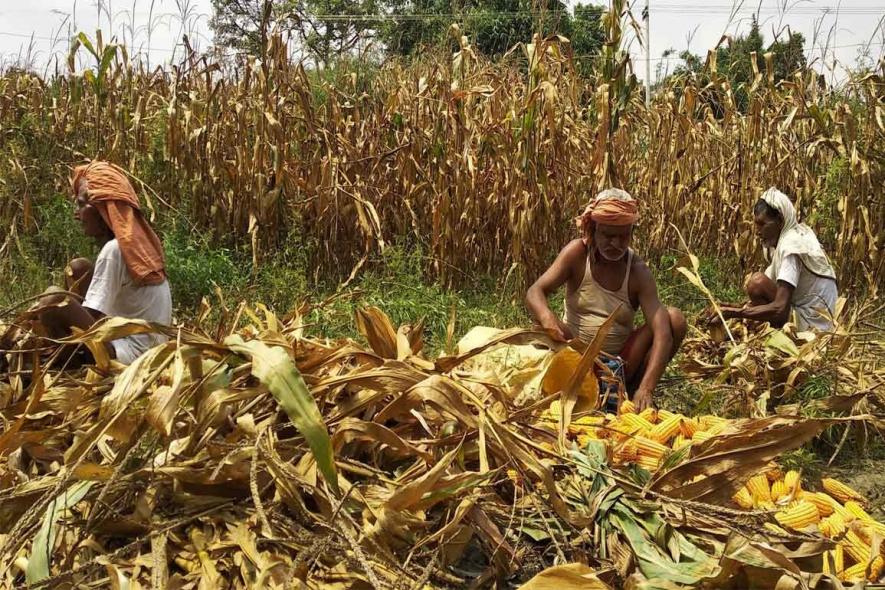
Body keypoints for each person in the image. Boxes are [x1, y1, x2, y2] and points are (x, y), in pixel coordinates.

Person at [525, 189, 686, 410]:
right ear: (593, 229)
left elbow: (663, 333)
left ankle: (632, 393)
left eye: (623, 236)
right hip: (574, 353)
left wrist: (647, 388)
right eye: (608, 235)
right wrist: (547, 318)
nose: (616, 244)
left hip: (618, 364)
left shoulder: (637, 271)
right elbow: (535, 291)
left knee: (674, 319)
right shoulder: (577, 254)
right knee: (541, 326)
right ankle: (573, 385)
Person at [36, 161, 172, 364]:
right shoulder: (135, 245)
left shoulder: (114, 250)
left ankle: (66, 362)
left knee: (52, 300)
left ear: (103, 210)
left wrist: (35, 315)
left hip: (132, 355)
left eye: (82, 204)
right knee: (78, 268)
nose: (77, 214)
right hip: (151, 347)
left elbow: (89, 316)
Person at [714, 188, 838, 331]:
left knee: (757, 283)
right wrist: (727, 307)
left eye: (762, 224)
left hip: (812, 325)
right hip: (813, 317)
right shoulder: (796, 236)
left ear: (780, 220)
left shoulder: (791, 246)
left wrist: (732, 313)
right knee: (757, 284)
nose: (758, 232)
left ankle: (779, 332)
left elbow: (779, 308)